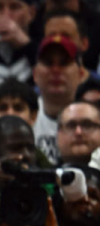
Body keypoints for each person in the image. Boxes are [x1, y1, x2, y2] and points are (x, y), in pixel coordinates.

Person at [32, 34, 88, 164]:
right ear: (35, 74)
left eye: (64, 63)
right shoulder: (23, 116)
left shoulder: (94, 118)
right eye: (48, 62)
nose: (56, 70)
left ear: (80, 74)